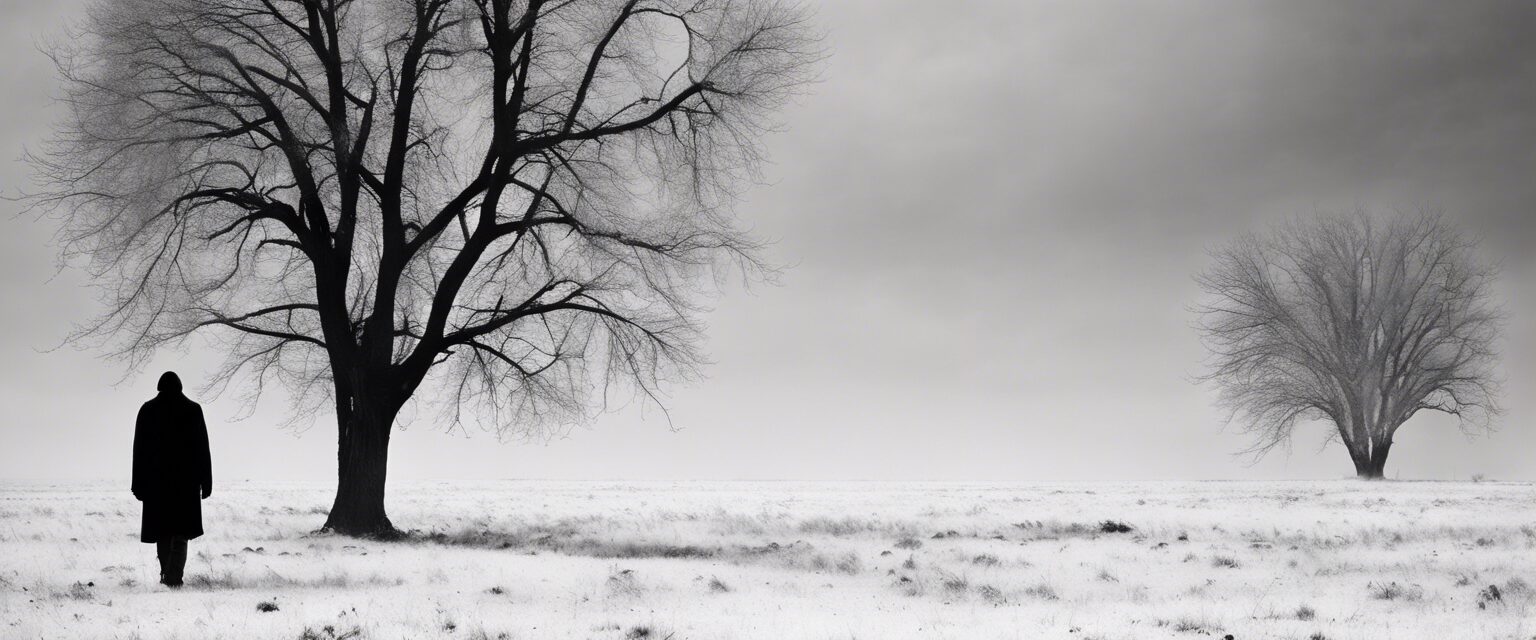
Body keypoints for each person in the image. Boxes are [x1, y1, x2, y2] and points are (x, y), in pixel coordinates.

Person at [131, 371, 212, 588]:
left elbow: (139, 451)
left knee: (163, 532)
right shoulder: (193, 410)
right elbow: (203, 448)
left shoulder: (148, 410)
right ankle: (173, 576)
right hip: (187, 483)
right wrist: (207, 481)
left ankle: (167, 575)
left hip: (157, 484)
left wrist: (137, 484)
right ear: (180, 386)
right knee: (181, 532)